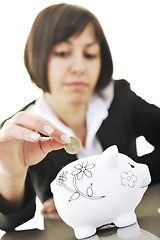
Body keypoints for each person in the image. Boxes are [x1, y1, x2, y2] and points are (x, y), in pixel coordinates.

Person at [0, 3, 160, 231]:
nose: (79, 67)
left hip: (135, 226)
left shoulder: (121, 98)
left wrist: (124, 181)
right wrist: (10, 174)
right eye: (63, 53)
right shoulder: (21, 131)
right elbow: (10, 223)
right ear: (37, 57)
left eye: (90, 54)